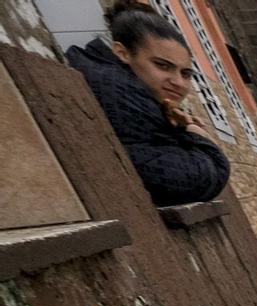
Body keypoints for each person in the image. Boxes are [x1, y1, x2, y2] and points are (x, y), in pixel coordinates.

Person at [69, 3, 230, 207]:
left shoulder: (131, 89)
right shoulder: (118, 90)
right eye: (162, 66)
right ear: (122, 53)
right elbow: (193, 180)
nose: (178, 82)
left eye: (186, 74)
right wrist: (195, 134)